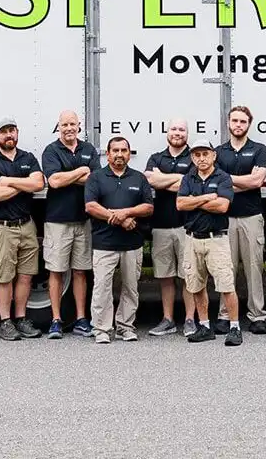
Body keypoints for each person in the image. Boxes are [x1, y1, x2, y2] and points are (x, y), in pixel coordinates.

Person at [0, 118, 46, 341]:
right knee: (4, 277)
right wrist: (23, 184)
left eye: (12, 130)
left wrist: (7, 181)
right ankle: (6, 322)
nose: (9, 134)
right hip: (1, 227)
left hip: (26, 225)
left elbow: (39, 184)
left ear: (17, 132)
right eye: (4, 131)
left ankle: (21, 319)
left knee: (26, 276)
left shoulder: (28, 158)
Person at [83, 136, 154, 344]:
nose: (120, 154)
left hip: (132, 244)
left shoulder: (139, 178)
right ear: (108, 154)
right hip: (104, 243)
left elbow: (148, 207)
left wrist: (126, 212)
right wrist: (120, 219)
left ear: (129, 154)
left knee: (131, 288)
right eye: (115, 150)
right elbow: (90, 206)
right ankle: (102, 329)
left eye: (124, 150)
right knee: (102, 288)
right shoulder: (96, 177)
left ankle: (125, 326)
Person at [41, 110, 99, 339]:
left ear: (79, 125)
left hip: (83, 220)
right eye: (64, 125)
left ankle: (81, 319)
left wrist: (68, 176)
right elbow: (54, 181)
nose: (69, 128)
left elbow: (94, 179)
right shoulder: (51, 150)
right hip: (57, 221)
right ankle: (56, 320)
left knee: (80, 271)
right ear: (59, 127)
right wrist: (81, 171)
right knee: (56, 271)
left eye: (72, 124)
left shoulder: (88, 149)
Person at [179, 138, 243, 347]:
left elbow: (222, 206)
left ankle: (234, 327)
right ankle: (205, 326)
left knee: (226, 285)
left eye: (205, 153)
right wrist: (207, 198)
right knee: (196, 286)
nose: (201, 158)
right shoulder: (188, 178)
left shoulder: (223, 177)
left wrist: (194, 200)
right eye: (197, 154)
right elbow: (180, 204)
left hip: (216, 240)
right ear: (192, 157)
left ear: (214, 155)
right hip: (192, 239)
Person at [214, 106, 266, 334]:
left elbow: (257, 182)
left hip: (252, 217)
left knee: (254, 268)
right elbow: (216, 184)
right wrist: (244, 180)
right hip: (225, 218)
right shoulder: (218, 152)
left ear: (249, 124)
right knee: (226, 269)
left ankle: (257, 316)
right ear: (228, 123)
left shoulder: (259, 149)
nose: (238, 125)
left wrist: (228, 180)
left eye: (243, 121)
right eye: (235, 121)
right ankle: (225, 315)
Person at [142, 119, 193, 337]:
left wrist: (163, 179)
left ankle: (190, 320)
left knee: (189, 275)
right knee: (165, 276)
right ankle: (168, 319)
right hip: (161, 226)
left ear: (187, 133)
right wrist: (179, 178)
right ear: (167, 132)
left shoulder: (193, 157)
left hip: (186, 226)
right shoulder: (156, 157)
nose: (177, 133)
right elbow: (150, 180)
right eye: (174, 129)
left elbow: (190, 183)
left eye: (181, 129)